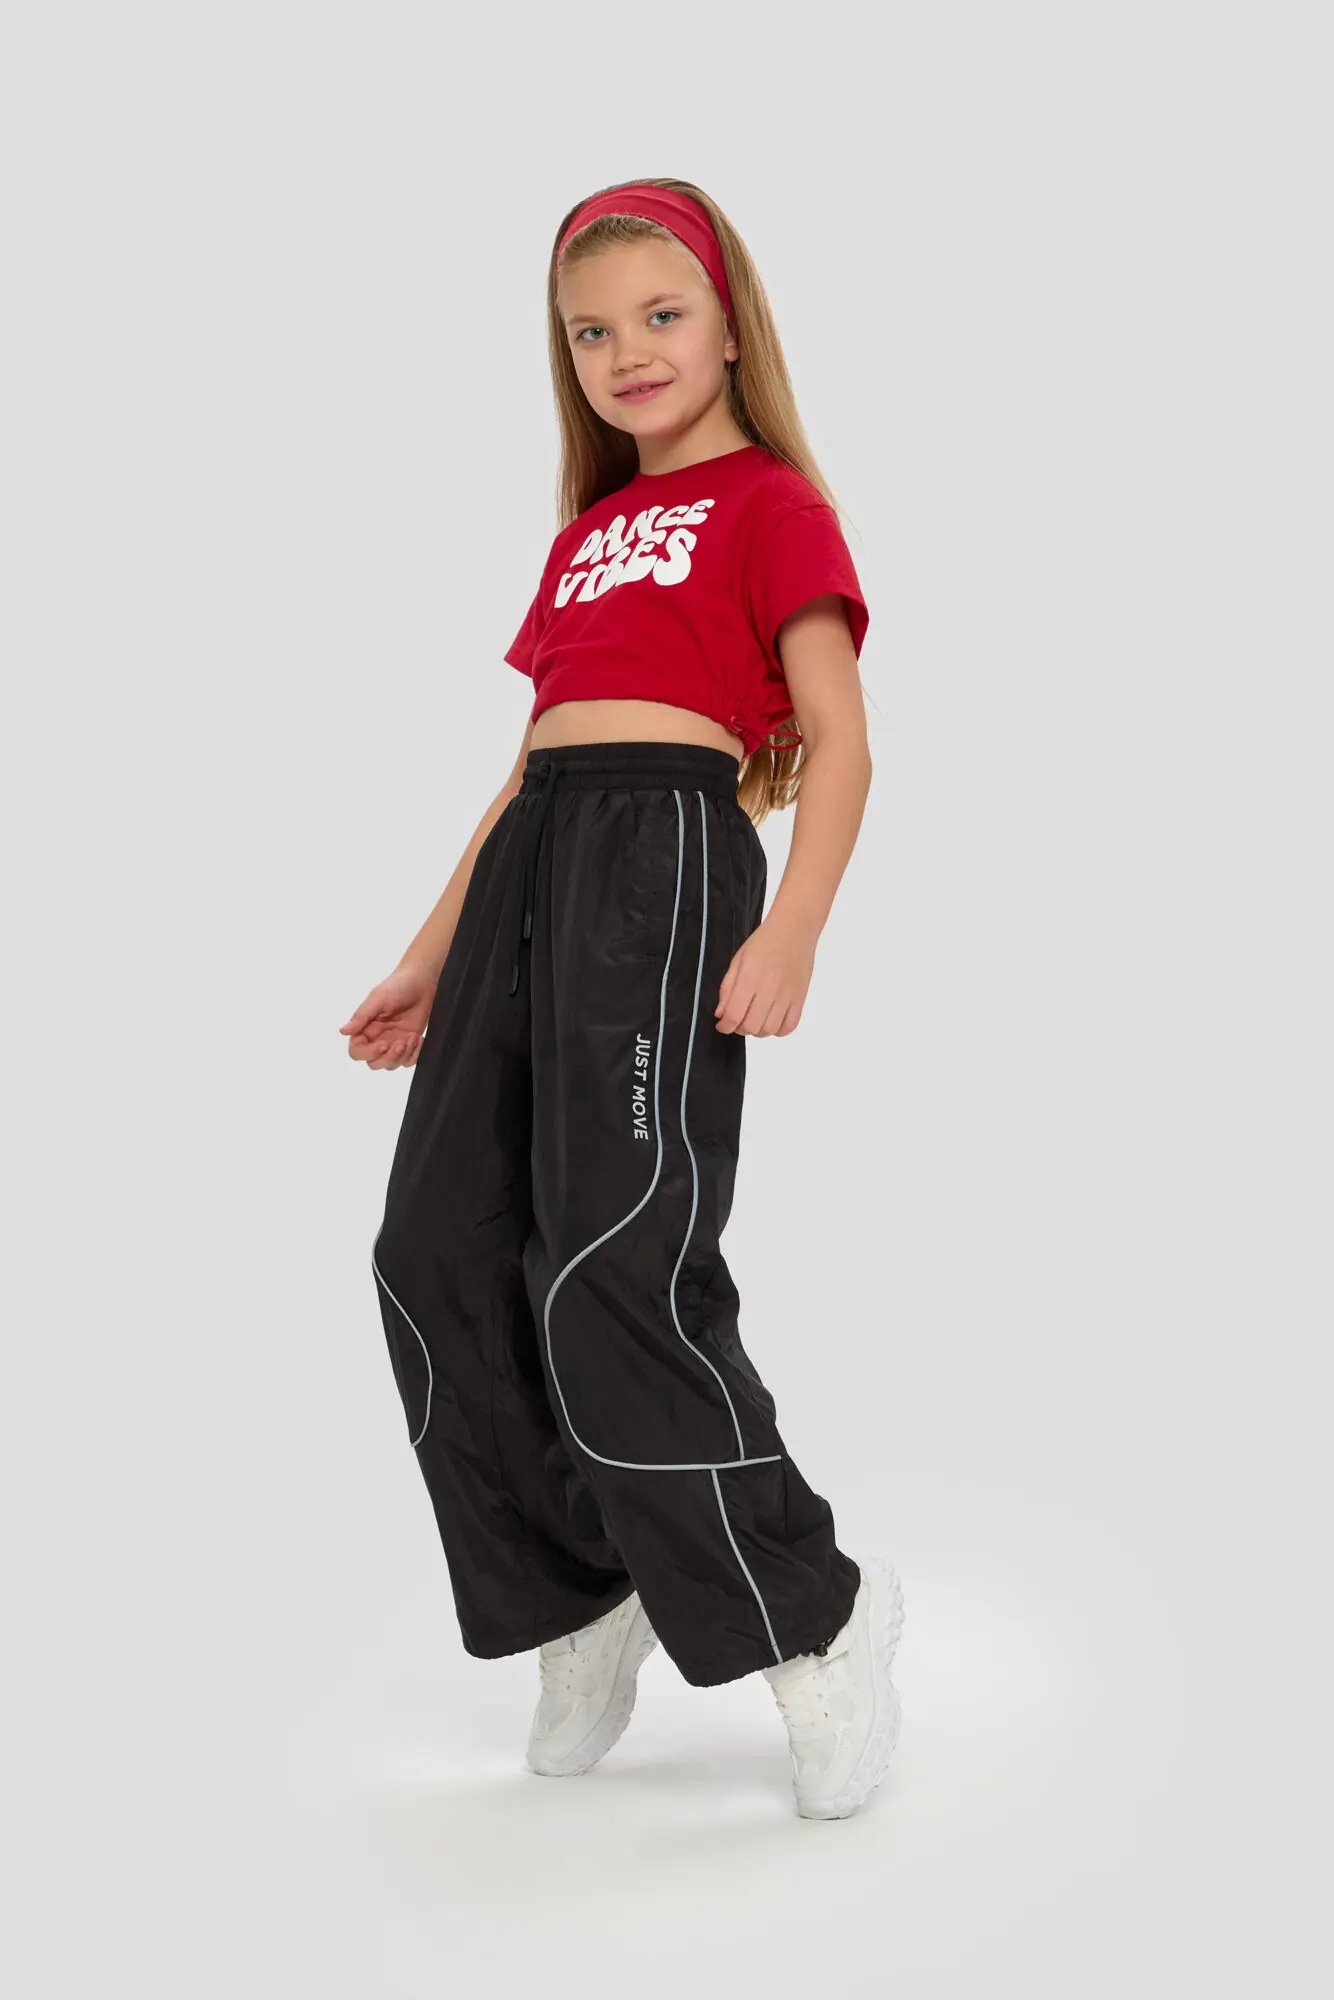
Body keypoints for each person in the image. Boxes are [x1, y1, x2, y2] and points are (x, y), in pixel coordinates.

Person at [340, 179, 905, 1821]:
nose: (627, 351)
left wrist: (794, 929)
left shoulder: (770, 503)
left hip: (663, 863)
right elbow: (524, 769)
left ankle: (816, 1621)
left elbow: (842, 740)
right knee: (431, 1252)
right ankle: (581, 1594)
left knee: (611, 1262)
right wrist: (431, 953)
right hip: (538, 861)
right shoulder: (585, 536)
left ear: (728, 326)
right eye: (590, 331)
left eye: (661, 315)